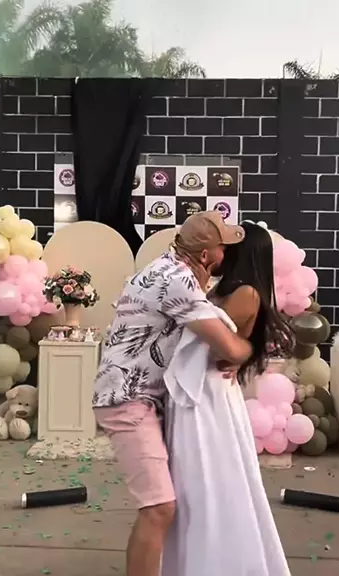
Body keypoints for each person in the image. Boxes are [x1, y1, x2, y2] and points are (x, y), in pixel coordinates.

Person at [92, 211, 254, 576]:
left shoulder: (164, 268)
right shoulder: (177, 281)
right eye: (224, 248)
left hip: (138, 398)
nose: (227, 256)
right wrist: (249, 350)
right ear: (206, 255)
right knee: (158, 508)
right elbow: (229, 346)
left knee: (165, 505)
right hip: (128, 401)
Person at [161, 221, 294, 576]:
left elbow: (220, 346)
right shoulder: (225, 288)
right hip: (201, 388)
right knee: (193, 477)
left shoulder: (245, 293)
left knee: (210, 477)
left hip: (208, 394)